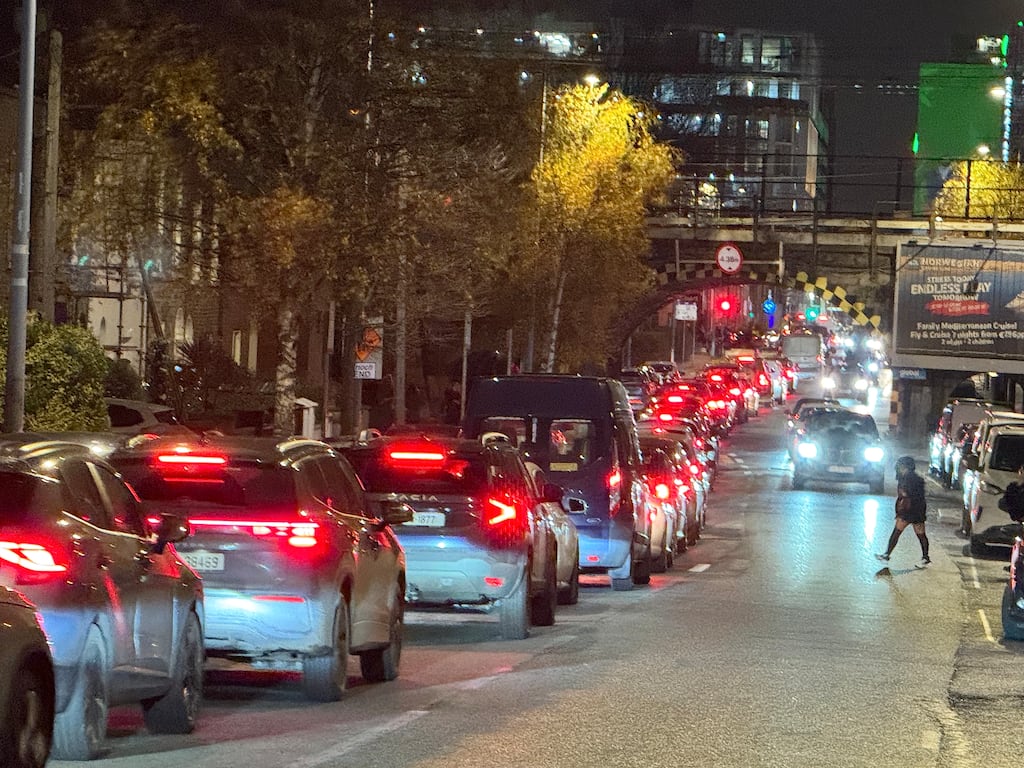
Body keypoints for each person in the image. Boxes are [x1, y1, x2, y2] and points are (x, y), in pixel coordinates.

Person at [876, 455, 930, 568]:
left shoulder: (910, 479)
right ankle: (924, 558)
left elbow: (911, 495)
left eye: (900, 466)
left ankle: (925, 558)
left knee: (906, 533)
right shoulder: (908, 478)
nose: (898, 468)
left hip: (912, 511)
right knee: (906, 533)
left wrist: (906, 498)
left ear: (905, 467)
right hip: (913, 511)